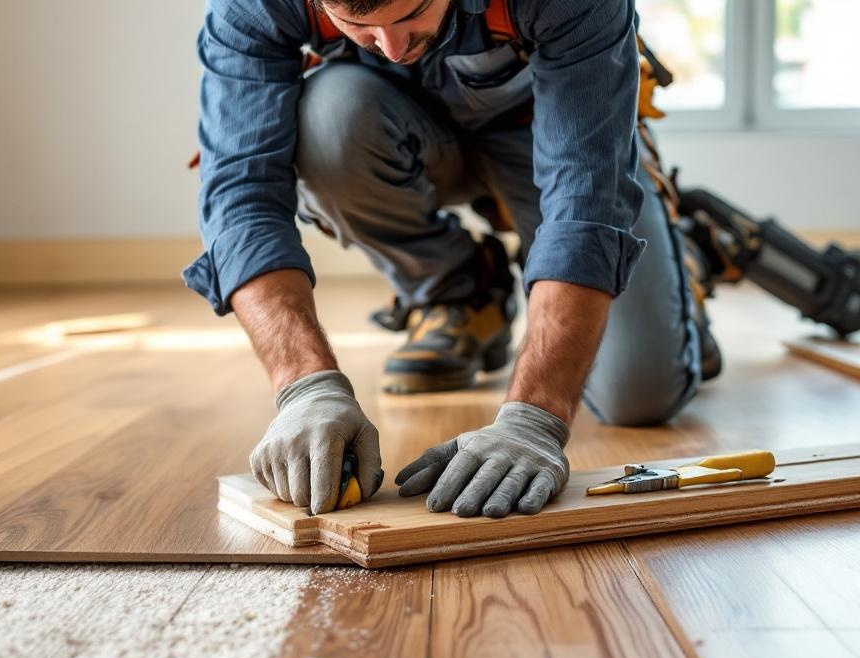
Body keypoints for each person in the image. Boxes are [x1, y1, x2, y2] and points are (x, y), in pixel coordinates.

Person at [185, 0, 708, 518]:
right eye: (359, 26)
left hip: (554, 134)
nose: (392, 47)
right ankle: (462, 292)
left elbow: (585, 204)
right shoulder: (252, 5)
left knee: (638, 396)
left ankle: (683, 262)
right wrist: (304, 385)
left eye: (411, 14)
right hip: (392, 129)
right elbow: (241, 197)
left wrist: (535, 417)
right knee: (329, 118)